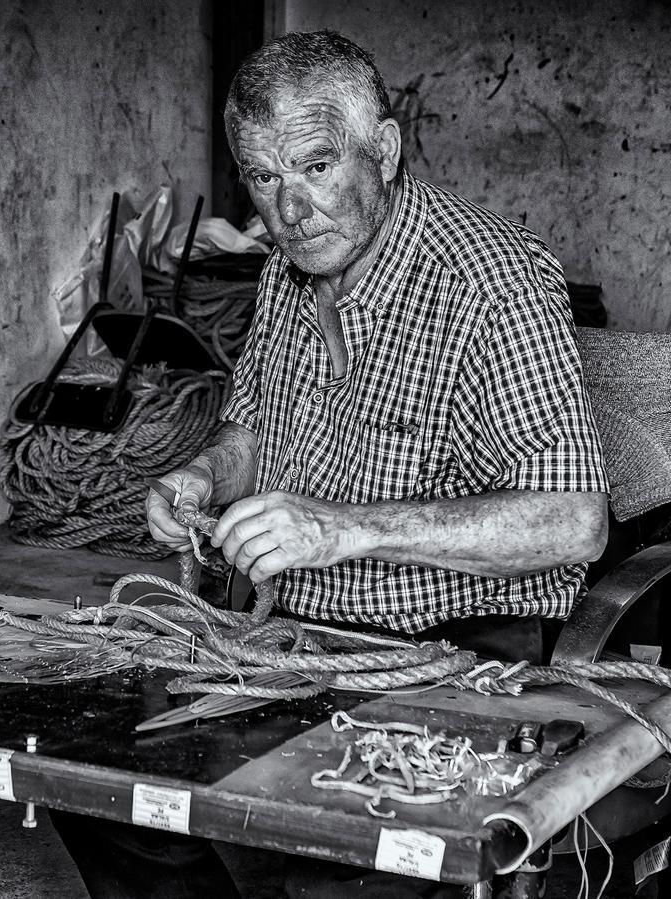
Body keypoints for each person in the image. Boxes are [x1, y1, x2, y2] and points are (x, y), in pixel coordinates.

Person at [51, 29, 610, 899]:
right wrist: (201, 476)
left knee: (333, 856)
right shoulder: (289, 270)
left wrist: (340, 529)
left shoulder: (489, 284)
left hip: (447, 658)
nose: (290, 209)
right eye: (265, 179)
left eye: (315, 167)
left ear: (382, 149)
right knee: (88, 779)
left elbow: (574, 518)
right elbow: (252, 431)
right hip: (289, 644)